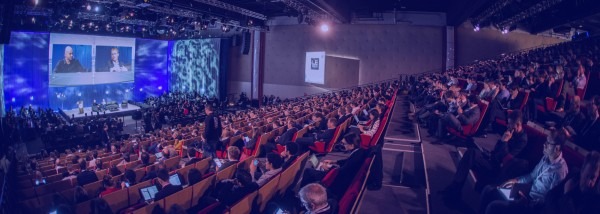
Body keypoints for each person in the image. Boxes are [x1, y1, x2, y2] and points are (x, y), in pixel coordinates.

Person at [441, 110, 528, 199]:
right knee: (471, 152)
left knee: (472, 155)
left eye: (510, 124)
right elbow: (496, 149)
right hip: (493, 159)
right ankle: (455, 188)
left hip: (500, 169)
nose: (508, 126)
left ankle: (454, 191)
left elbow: (507, 159)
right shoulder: (510, 132)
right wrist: (501, 143)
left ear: (517, 125)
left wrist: (504, 142)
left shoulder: (522, 140)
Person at [479, 129, 568, 214]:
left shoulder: (560, 171)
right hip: (524, 194)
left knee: (493, 207)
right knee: (488, 190)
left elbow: (549, 201)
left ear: (557, 148)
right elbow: (532, 176)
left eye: (548, 143)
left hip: (532, 205)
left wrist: (528, 202)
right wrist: (516, 180)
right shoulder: (546, 157)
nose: (544, 144)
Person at [300, 133, 368, 196]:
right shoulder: (359, 151)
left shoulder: (356, 157)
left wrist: (329, 168)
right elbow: (347, 161)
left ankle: (302, 195)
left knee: (308, 171)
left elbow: (342, 172)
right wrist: (334, 161)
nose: (343, 146)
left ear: (352, 145)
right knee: (317, 167)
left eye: (345, 144)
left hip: (336, 181)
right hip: (339, 176)